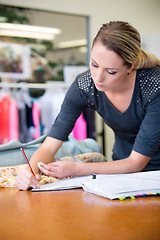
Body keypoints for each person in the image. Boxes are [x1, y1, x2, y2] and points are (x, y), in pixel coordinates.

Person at [16, 21, 160, 190]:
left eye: (111, 71)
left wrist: (79, 169)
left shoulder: (154, 87)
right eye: (94, 64)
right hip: (120, 172)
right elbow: (50, 144)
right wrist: (30, 172)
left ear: (131, 66)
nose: (98, 77)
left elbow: (136, 163)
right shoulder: (84, 85)